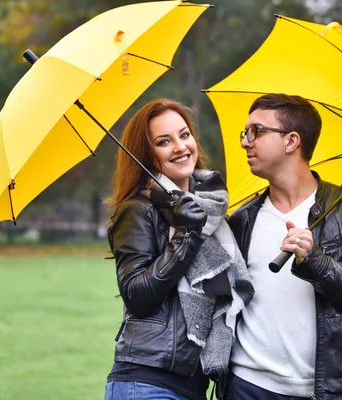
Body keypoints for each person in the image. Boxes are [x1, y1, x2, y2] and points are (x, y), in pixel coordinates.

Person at [221, 93, 342, 400]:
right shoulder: (240, 220)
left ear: (292, 141)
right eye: (245, 132)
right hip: (248, 387)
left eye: (257, 131)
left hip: (330, 391)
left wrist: (317, 262)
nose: (245, 142)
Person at [105, 99, 254, 400]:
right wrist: (186, 235)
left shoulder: (212, 212)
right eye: (164, 141)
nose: (180, 147)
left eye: (184, 135)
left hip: (193, 385)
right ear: (147, 154)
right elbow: (138, 296)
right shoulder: (138, 210)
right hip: (148, 381)